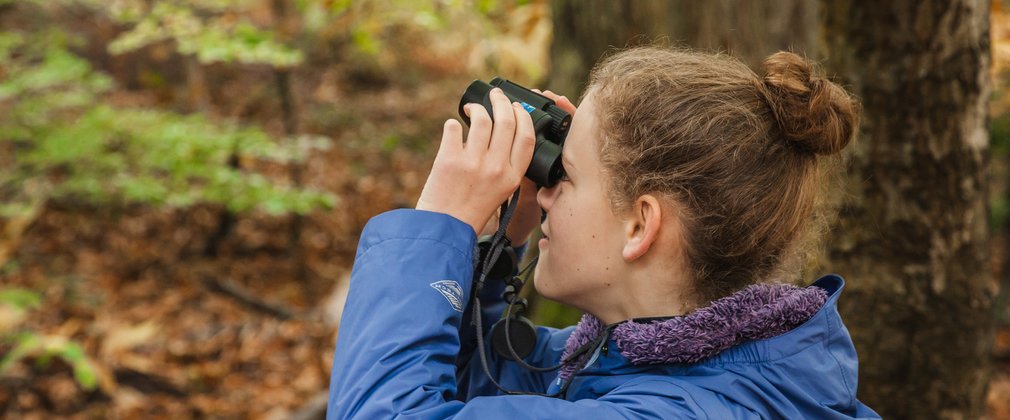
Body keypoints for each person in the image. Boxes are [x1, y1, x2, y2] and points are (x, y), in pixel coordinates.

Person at [327, 46, 881, 419]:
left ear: (640, 224)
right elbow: (480, 385)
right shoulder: (648, 365)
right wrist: (492, 249)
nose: (542, 192)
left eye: (564, 175)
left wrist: (436, 227)